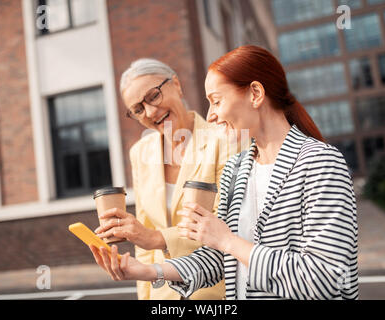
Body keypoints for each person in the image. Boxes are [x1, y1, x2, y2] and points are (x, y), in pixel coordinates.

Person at [90, 46, 359, 300]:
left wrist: (228, 240)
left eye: (216, 102)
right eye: (137, 109)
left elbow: (326, 278)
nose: (211, 116)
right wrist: (149, 271)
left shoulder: (320, 162)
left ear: (255, 93)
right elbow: (218, 259)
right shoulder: (238, 169)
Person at [89, 58, 240, 300]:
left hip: (216, 294)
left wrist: (155, 238)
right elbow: (145, 241)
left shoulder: (226, 139)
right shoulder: (141, 152)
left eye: (153, 96)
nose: (149, 112)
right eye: (138, 110)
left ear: (177, 85)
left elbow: (228, 225)